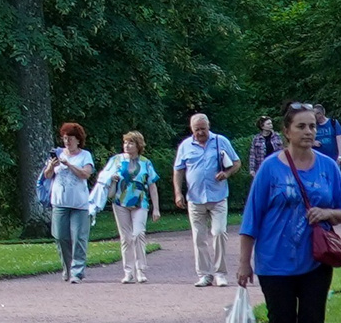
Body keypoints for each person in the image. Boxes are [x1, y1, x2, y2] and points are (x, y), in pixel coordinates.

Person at [237, 103, 341, 323]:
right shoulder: (270, 169)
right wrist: (244, 262)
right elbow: (251, 218)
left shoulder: (328, 167)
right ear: (286, 131)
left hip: (316, 259)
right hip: (275, 261)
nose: (308, 132)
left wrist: (326, 213)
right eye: (301, 126)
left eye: (312, 126)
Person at [173, 113, 240, 287]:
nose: (200, 132)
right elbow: (178, 170)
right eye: (197, 130)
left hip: (218, 196)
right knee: (198, 237)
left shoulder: (220, 141)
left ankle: (220, 273)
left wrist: (227, 173)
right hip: (195, 198)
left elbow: (236, 162)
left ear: (208, 126)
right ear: (191, 129)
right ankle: (204, 274)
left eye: (203, 128)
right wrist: (178, 193)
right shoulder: (185, 146)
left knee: (219, 232)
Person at [102, 132, 161, 283]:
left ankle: (140, 270)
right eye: (125, 142)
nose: (127, 146)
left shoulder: (145, 163)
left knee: (138, 234)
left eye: (131, 143)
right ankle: (128, 272)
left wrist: (156, 208)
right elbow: (103, 177)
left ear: (138, 145)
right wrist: (112, 178)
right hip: (120, 202)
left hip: (140, 203)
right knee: (126, 238)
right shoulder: (116, 160)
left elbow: (152, 186)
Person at [42, 123, 97, 283]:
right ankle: (67, 268)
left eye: (70, 139)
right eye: (65, 138)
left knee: (79, 238)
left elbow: (86, 174)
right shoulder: (58, 154)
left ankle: (77, 272)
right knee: (60, 237)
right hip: (60, 203)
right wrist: (51, 166)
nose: (67, 142)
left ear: (78, 140)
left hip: (79, 205)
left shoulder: (85, 155)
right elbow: (47, 175)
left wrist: (69, 165)